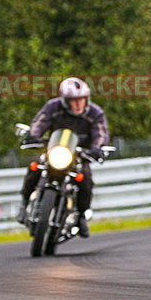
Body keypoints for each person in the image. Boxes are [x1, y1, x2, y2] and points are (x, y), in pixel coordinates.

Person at [16, 77, 110, 237]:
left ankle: (81, 216)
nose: (79, 104)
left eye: (81, 99)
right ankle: (24, 202)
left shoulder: (95, 113)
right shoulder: (53, 107)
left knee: (85, 179)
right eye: (74, 101)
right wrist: (33, 135)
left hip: (80, 154)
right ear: (65, 101)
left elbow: (101, 132)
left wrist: (97, 148)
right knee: (35, 168)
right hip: (55, 149)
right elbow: (40, 121)